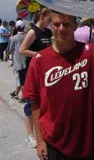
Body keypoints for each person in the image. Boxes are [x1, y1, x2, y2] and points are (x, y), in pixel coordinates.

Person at [23, 11, 94, 160]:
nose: (61, 28)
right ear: (51, 25)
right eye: (56, 24)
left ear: (75, 26)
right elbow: (35, 102)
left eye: (67, 24)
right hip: (55, 144)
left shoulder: (90, 52)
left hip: (91, 143)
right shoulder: (39, 59)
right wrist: (40, 140)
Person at [19, 8, 52, 148]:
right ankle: (29, 135)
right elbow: (22, 50)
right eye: (49, 19)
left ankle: (43, 132)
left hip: (47, 72)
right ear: (42, 16)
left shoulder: (49, 32)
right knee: (30, 104)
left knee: (45, 103)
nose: (50, 22)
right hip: (32, 72)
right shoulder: (33, 31)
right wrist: (38, 55)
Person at [7, 20, 27, 99]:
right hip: (27, 62)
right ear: (24, 27)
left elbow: (9, 50)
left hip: (18, 63)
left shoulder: (13, 38)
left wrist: (6, 57)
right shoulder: (27, 36)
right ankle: (15, 93)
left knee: (20, 81)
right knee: (22, 80)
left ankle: (25, 97)